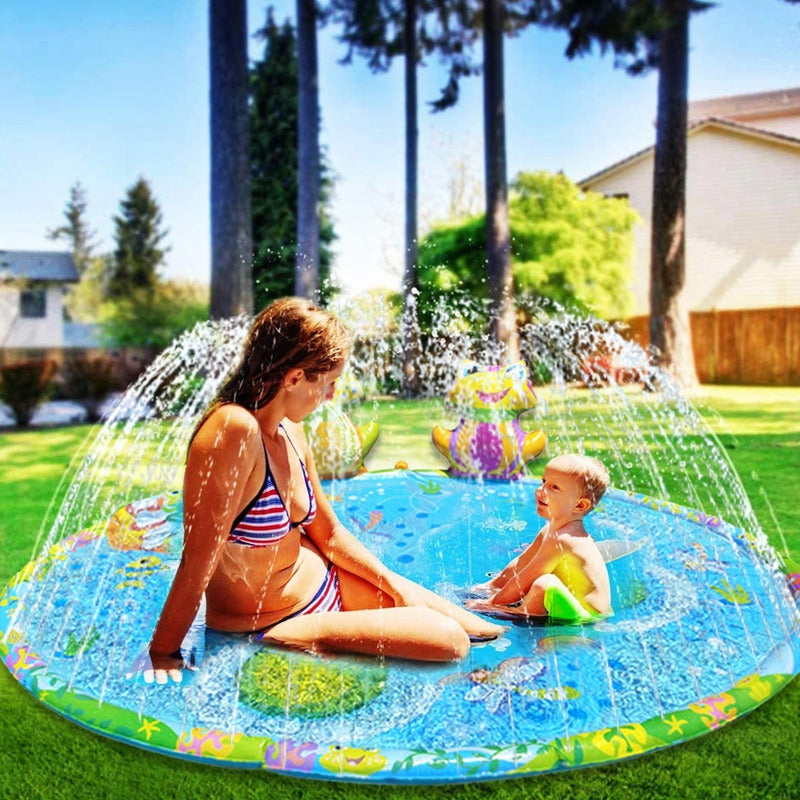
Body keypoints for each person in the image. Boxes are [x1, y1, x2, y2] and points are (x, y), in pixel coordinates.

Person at [146, 298, 503, 683]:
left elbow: (328, 534)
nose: (332, 395)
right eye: (330, 382)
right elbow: (197, 559)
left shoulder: (289, 429)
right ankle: (309, 637)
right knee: (450, 640)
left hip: (325, 583)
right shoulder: (234, 431)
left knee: (481, 628)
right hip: (277, 620)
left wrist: (394, 584)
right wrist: (164, 651)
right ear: (295, 377)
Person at [466, 454, 611, 623]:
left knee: (544, 584)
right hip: (568, 603)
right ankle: (511, 605)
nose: (540, 490)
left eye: (554, 487)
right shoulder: (550, 529)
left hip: (586, 615)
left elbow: (526, 578)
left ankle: (519, 613)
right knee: (540, 582)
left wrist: (490, 604)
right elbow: (521, 563)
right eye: (543, 482)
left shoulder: (565, 539)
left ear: (579, 505)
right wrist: (490, 587)